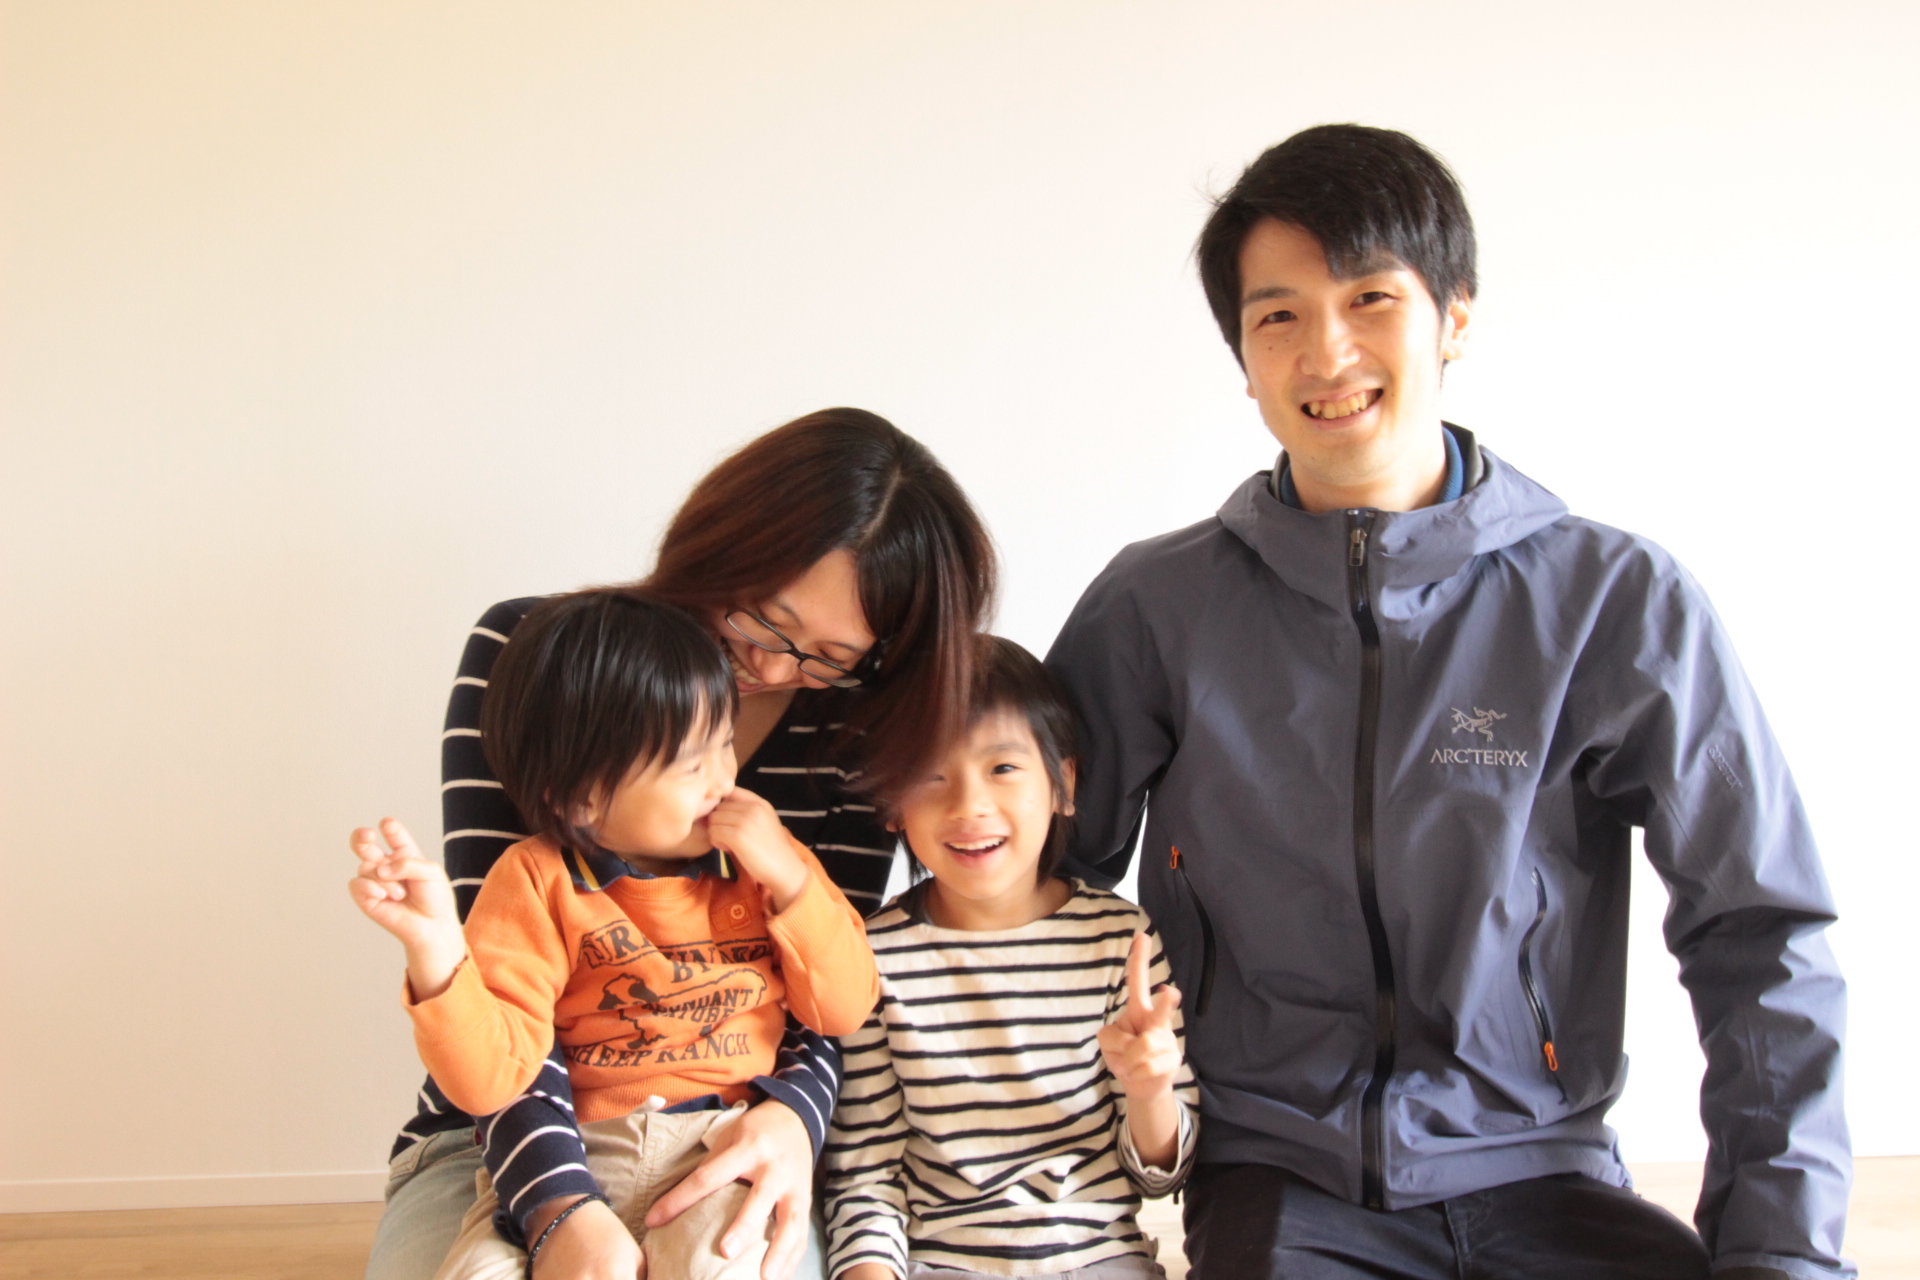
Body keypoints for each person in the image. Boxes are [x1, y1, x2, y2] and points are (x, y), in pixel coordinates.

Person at [1045, 125, 1852, 1279]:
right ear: (1243, 358)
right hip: (1283, 1182)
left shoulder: (1614, 598)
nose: (1326, 352)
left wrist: (1781, 1253)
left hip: (1547, 1171)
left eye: (1370, 298)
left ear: (1454, 316)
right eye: (1279, 316)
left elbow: (1760, 930)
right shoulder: (1155, 607)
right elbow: (1017, 891)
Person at [366, 408, 997, 1280]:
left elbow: (825, 992)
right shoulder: (542, 658)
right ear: (721, 546)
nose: (773, 669)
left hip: (733, 1125)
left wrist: (792, 1121)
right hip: (503, 1133)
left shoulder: (856, 725)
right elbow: (506, 998)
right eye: (765, 619)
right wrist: (558, 1210)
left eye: (829, 656)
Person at [351, 588, 882, 1278]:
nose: (724, 780)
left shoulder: (768, 866)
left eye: (726, 743)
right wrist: (437, 953)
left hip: (719, 1149)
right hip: (569, 1146)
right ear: (581, 798)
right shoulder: (535, 882)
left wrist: (793, 882)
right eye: (692, 764)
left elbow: (843, 1010)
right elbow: (492, 1082)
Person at [823, 636, 1199, 1280]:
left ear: (1062, 784)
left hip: (1100, 1261)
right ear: (891, 802)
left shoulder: (1120, 941)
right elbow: (866, 1175)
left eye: (1002, 768)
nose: (969, 805)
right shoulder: (870, 957)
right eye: (930, 774)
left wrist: (1150, 1090)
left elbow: (1162, 1173)